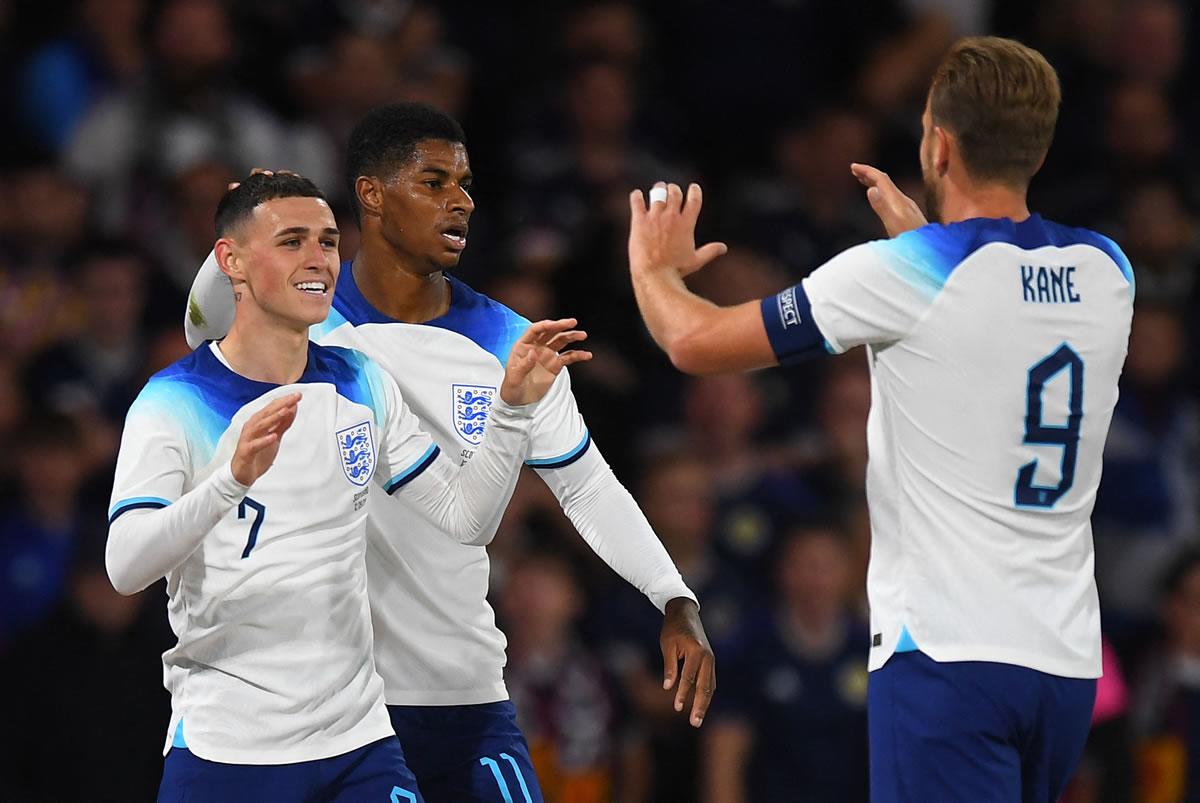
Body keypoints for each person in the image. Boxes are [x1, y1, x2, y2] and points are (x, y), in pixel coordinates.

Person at [627, 36, 1134, 803]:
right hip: (1063, 667)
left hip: (946, 662)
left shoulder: (904, 274)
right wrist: (918, 243)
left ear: (937, 142)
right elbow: (993, 321)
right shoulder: (1107, 270)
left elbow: (692, 340)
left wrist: (651, 267)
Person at [185, 103, 713, 802]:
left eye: (464, 183)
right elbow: (200, 329)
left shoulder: (509, 342)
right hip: (327, 703)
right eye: (433, 182)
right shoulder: (294, 313)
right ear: (370, 195)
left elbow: (584, 484)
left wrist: (672, 595)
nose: (460, 200)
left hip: (462, 693)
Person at [109, 172, 587, 801]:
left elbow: (465, 519)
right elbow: (125, 567)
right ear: (230, 261)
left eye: (329, 241)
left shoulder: (360, 381)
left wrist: (512, 412)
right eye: (292, 241)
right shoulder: (173, 401)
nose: (319, 259)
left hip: (359, 744)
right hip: (229, 747)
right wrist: (228, 482)